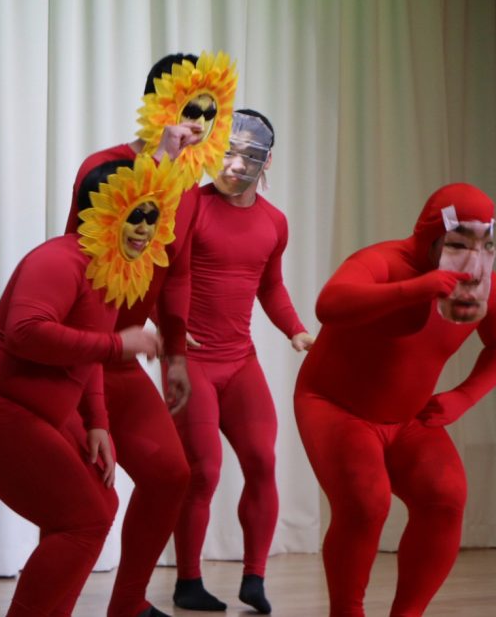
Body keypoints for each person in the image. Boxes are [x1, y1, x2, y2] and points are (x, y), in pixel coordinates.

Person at [0, 154, 178, 616]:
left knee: (98, 508)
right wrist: (119, 345)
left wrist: (98, 422)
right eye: (136, 215)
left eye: (152, 218)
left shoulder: (109, 270)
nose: (145, 229)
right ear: (105, 210)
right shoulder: (58, 259)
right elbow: (26, 332)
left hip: (38, 414)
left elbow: (86, 356)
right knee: (82, 520)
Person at [294, 183, 496, 617]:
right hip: (335, 405)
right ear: (433, 236)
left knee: (446, 497)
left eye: (483, 245)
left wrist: (463, 397)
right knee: (366, 503)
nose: (470, 258)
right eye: (457, 244)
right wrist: (416, 289)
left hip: (409, 418)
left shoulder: (485, 287)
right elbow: (330, 304)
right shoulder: (382, 261)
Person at [64, 54, 209, 617]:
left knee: (170, 476)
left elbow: (179, 273)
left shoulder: (190, 192)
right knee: (82, 500)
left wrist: (175, 355)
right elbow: (79, 258)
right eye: (187, 108)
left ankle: (127, 605)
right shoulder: (104, 169)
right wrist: (159, 166)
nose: (198, 123)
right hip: (80, 356)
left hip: (123, 361)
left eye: (208, 113)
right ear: (157, 106)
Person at [170, 110, 313, 613]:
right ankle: (188, 582)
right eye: (226, 152)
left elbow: (270, 286)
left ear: (266, 162)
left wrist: (295, 329)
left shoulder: (274, 222)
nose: (233, 165)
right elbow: (159, 270)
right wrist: (165, 327)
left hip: (239, 360)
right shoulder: (191, 205)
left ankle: (255, 578)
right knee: (203, 471)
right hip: (191, 360)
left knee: (262, 460)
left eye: (248, 156)